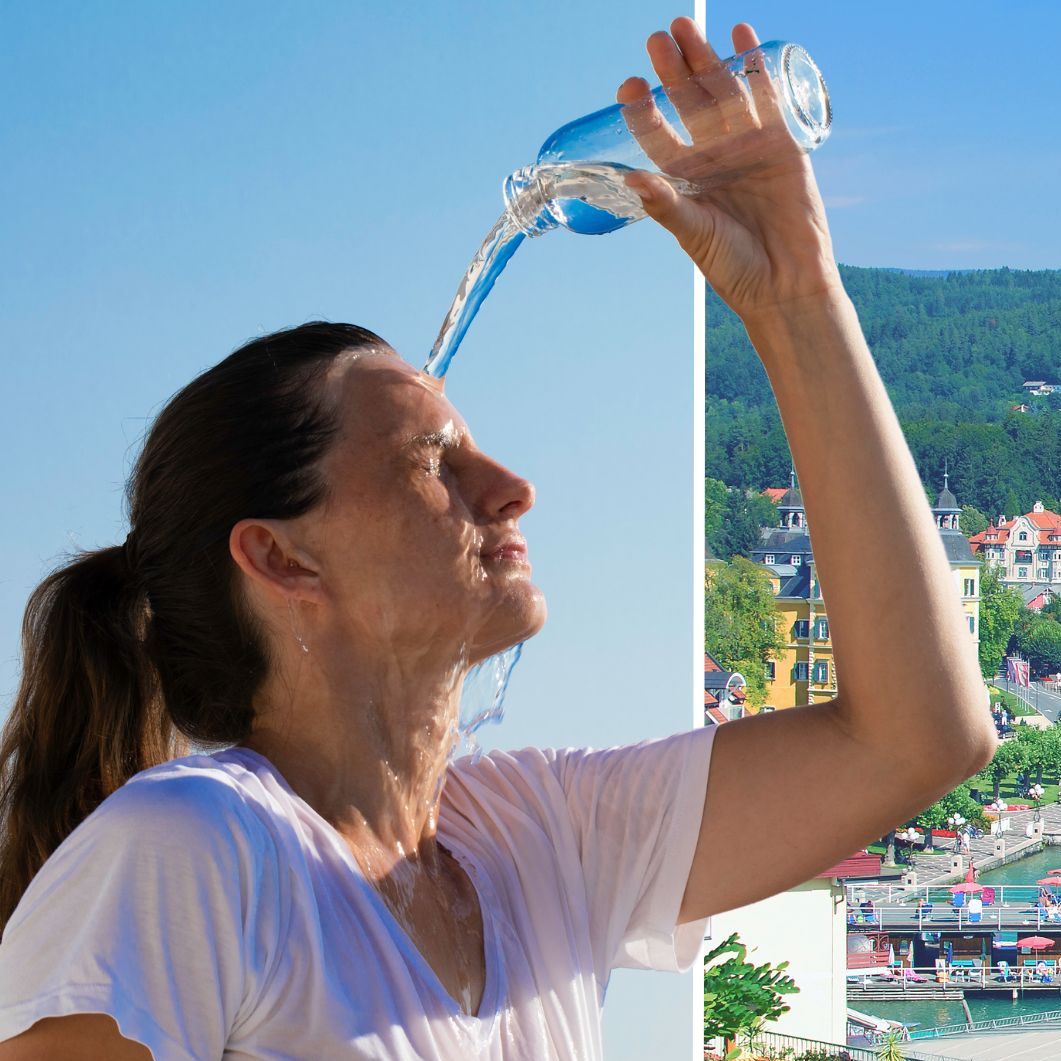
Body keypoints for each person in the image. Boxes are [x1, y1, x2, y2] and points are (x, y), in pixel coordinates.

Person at [0, 18, 996, 1060]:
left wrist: (795, 295)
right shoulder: (194, 849)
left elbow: (919, 735)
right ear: (281, 556)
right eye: (432, 463)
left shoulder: (536, 837)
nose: (512, 489)